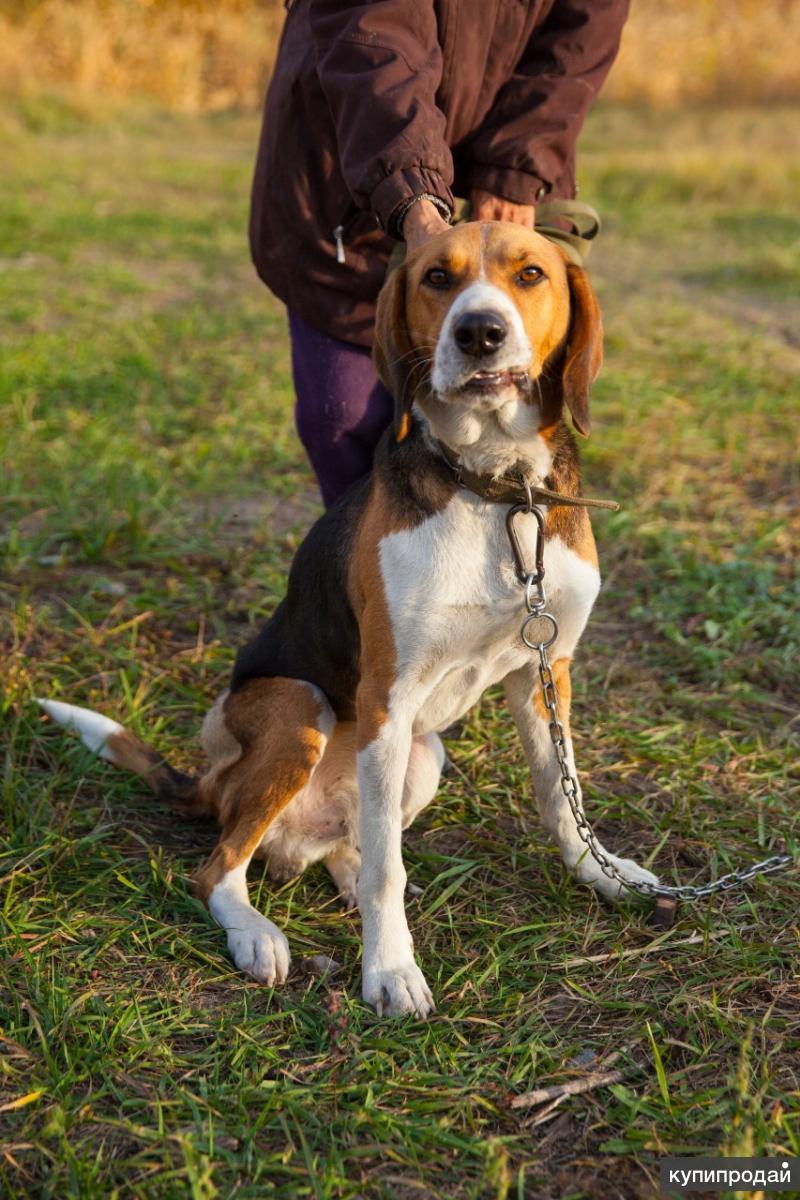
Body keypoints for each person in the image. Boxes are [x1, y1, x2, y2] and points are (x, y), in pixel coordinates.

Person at [250, 0, 629, 507]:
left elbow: (584, 31)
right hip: (351, 164)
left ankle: (508, 571)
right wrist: (409, 193)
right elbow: (372, 33)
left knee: (511, 426)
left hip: (523, 164)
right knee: (343, 421)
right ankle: (368, 576)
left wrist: (516, 167)